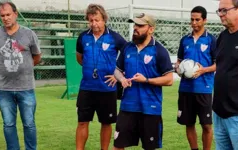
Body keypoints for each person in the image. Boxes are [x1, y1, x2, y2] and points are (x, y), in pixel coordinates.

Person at [113, 13, 174, 150]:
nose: (136, 28)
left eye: (140, 25)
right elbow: (116, 70)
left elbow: (169, 79)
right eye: (135, 25)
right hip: (127, 107)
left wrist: (146, 80)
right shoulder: (127, 48)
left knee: (149, 147)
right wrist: (121, 79)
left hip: (150, 108)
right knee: (118, 145)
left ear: (151, 29)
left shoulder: (159, 51)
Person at [0, 2, 41, 150]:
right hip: (4, 89)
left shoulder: (29, 34)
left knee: (29, 124)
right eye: (2, 15)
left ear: (15, 14)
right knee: (8, 124)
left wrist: (24, 67)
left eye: (8, 14)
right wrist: (5, 66)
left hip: (26, 87)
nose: (5, 18)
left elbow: (36, 57)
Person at [75, 4, 127, 150]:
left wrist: (118, 75)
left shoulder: (115, 37)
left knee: (106, 122)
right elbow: (80, 58)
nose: (94, 24)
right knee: (82, 122)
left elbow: (128, 56)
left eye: (97, 20)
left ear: (104, 19)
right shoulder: (83, 37)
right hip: (87, 87)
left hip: (107, 88)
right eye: (91, 20)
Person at [213, 0, 238, 149]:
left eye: (224, 10)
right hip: (219, 113)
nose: (220, 15)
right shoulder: (222, 37)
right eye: (219, 11)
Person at [175, 6, 216, 150]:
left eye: (197, 19)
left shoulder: (211, 40)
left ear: (204, 20)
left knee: (206, 124)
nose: (194, 22)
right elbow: (179, 61)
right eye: (192, 19)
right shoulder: (184, 40)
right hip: (186, 88)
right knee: (189, 122)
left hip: (204, 88)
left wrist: (203, 70)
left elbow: (218, 64)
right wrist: (178, 68)